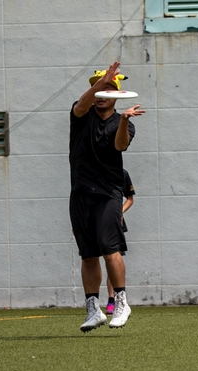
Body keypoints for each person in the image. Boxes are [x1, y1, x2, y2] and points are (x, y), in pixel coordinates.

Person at [69, 61, 145, 332]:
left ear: (117, 96)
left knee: (109, 247)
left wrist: (124, 120)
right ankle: (93, 309)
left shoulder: (123, 122)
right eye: (98, 90)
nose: (101, 95)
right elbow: (82, 104)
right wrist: (100, 83)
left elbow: (120, 145)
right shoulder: (80, 114)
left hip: (109, 194)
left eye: (107, 90)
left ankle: (121, 302)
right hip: (80, 194)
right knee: (88, 255)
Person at [105, 169, 135, 314]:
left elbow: (130, 199)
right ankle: (93, 301)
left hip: (114, 223)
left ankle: (113, 300)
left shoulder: (121, 173)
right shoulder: (91, 171)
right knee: (91, 259)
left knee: (113, 260)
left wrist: (118, 212)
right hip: (95, 222)